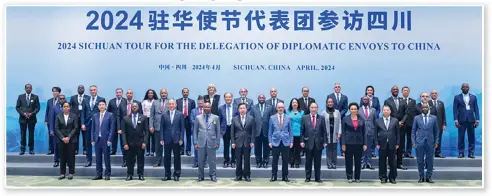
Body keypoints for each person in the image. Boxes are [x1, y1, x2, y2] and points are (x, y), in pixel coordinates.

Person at [193, 102, 221, 182]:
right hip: (201, 142)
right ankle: (200, 176)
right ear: (203, 108)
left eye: (208, 107)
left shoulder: (216, 118)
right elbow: (195, 131)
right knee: (200, 160)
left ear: (210, 108)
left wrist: (217, 142)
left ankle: (213, 175)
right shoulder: (198, 118)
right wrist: (195, 142)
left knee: (212, 161)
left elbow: (218, 131)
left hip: (212, 142)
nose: (206, 109)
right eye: (205, 107)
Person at [300, 102, 327, 183]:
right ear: (309, 108)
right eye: (312, 107)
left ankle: (317, 178)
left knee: (317, 162)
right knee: (308, 162)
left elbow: (324, 131)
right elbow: (302, 130)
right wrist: (301, 141)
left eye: (315, 107)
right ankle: (307, 177)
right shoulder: (304, 118)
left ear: (317, 108)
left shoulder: (321, 118)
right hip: (308, 143)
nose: (313, 109)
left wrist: (325, 141)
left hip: (319, 143)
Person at [412, 104, 439, 183]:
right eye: (423, 107)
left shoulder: (434, 118)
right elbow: (413, 131)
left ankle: (428, 177)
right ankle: (421, 177)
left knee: (430, 161)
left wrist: (436, 142)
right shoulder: (416, 118)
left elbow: (436, 131)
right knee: (420, 160)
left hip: (430, 142)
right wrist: (413, 141)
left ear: (429, 108)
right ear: (421, 109)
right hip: (419, 142)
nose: (425, 108)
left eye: (426, 107)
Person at [121, 103, 148, 181]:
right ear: (131, 108)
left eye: (136, 106)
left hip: (140, 143)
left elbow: (146, 131)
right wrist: (125, 143)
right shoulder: (125, 118)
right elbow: (123, 132)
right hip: (129, 144)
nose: (134, 107)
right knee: (130, 160)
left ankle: (140, 174)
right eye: (133, 106)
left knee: (141, 160)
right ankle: (129, 174)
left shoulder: (143, 118)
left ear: (138, 107)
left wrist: (145, 142)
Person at [341, 103, 367, 183]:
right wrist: (343, 144)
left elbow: (364, 132)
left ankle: (357, 177)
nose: (353, 110)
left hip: (359, 143)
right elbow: (343, 132)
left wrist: (365, 143)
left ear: (357, 110)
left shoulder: (361, 119)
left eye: (355, 109)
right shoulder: (345, 119)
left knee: (358, 161)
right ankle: (349, 177)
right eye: (352, 109)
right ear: (349, 110)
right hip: (348, 143)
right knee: (348, 161)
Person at [160, 99, 185, 181]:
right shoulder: (164, 115)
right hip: (167, 139)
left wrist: (181, 138)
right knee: (167, 158)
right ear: (168, 105)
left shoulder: (180, 114)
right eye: (170, 104)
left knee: (177, 158)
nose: (171, 105)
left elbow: (182, 128)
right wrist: (161, 138)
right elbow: (162, 128)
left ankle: (177, 174)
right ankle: (167, 175)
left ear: (175, 105)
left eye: (172, 104)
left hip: (177, 139)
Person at [116, 89, 142, 167]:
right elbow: (118, 117)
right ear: (126, 95)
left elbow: (141, 116)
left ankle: (133, 161)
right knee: (124, 145)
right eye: (128, 93)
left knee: (134, 146)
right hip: (124, 128)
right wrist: (119, 128)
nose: (129, 94)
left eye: (131, 93)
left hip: (135, 129)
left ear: (132, 94)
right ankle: (125, 161)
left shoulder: (138, 103)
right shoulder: (122, 104)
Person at [453, 83, 480, 159]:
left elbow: (476, 109)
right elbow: (455, 110)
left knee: (471, 137)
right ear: (461, 88)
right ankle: (461, 153)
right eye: (464, 87)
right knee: (461, 137)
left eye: (466, 87)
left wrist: (477, 120)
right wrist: (456, 120)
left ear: (469, 88)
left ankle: (471, 153)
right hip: (461, 120)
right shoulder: (457, 97)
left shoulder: (474, 97)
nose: (465, 88)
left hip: (471, 120)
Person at [383, 85, 407, 170]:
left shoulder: (403, 101)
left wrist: (402, 122)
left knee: (400, 146)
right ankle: (390, 163)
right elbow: (386, 113)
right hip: (391, 127)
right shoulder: (387, 101)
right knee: (391, 146)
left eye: (397, 89)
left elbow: (406, 113)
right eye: (394, 89)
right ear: (391, 91)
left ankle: (399, 163)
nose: (395, 90)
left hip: (401, 127)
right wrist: (395, 122)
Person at [81, 85, 105, 167]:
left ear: (97, 90)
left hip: (98, 124)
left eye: (94, 90)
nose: (92, 91)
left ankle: (100, 161)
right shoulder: (86, 99)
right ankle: (88, 160)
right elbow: (83, 113)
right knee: (88, 143)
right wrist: (82, 123)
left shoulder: (101, 99)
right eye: (91, 90)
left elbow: (103, 112)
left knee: (98, 142)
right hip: (87, 124)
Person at [268, 102, 293, 182]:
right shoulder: (272, 118)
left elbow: (290, 131)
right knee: (274, 160)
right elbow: (270, 131)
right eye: (279, 107)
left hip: (285, 142)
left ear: (284, 108)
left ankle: (285, 176)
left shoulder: (288, 118)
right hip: (275, 142)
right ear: (276, 108)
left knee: (285, 160)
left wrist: (291, 141)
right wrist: (270, 141)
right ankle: (274, 176)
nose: (280, 109)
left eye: (282, 107)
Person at [54, 102, 79, 180]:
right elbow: (56, 129)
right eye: (64, 106)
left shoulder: (74, 116)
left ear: (70, 107)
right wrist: (63, 138)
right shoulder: (58, 116)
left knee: (71, 157)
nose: (66, 108)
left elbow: (76, 128)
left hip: (71, 140)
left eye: (67, 106)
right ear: (62, 108)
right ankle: (62, 173)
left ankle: (71, 173)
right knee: (62, 157)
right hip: (61, 140)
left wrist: (68, 137)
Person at [91, 100, 115, 181]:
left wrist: (110, 139)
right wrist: (92, 139)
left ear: (105, 106)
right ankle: (99, 174)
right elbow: (93, 129)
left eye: (103, 105)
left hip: (106, 140)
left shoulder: (110, 115)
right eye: (100, 105)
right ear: (98, 106)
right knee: (98, 158)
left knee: (106, 158)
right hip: (97, 140)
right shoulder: (95, 115)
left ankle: (107, 174)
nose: (101, 106)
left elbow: (112, 129)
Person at [231, 103, 255, 182]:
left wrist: (252, 141)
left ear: (246, 109)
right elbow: (232, 132)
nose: (242, 110)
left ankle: (247, 175)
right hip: (237, 142)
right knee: (238, 160)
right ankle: (238, 175)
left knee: (247, 160)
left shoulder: (251, 118)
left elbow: (253, 131)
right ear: (238, 110)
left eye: (244, 108)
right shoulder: (234, 119)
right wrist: (233, 142)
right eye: (240, 108)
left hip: (247, 142)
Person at [375, 105, 400, 184]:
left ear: (390, 111)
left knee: (392, 162)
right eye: (384, 110)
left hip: (392, 144)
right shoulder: (377, 121)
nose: (386, 111)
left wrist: (397, 143)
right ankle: (383, 177)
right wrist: (376, 143)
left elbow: (398, 133)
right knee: (382, 162)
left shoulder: (395, 120)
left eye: (387, 110)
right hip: (382, 144)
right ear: (382, 111)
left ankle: (392, 177)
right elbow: (375, 133)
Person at [16, 84, 40, 155]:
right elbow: (17, 107)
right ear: (25, 89)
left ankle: (31, 149)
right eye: (27, 88)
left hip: (32, 119)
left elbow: (37, 107)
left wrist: (32, 113)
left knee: (31, 134)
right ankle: (22, 149)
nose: (28, 89)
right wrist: (23, 114)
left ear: (31, 89)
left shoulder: (35, 97)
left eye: (30, 88)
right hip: (23, 119)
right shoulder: (20, 97)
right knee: (23, 134)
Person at [252, 94, 274, 168]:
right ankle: (258, 162)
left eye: (262, 97)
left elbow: (272, 119)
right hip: (257, 131)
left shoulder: (270, 107)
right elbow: (251, 119)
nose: (261, 99)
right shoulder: (253, 107)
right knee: (257, 148)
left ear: (265, 99)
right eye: (260, 98)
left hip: (266, 131)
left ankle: (265, 162)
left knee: (266, 148)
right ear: (258, 99)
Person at [327, 83, 348, 156]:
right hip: (332, 118)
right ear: (334, 88)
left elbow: (346, 108)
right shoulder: (330, 96)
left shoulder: (344, 97)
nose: (337, 88)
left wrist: (339, 114)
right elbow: (328, 106)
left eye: (338, 87)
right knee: (332, 134)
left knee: (342, 134)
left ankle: (343, 151)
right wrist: (334, 114)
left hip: (342, 118)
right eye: (336, 87)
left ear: (340, 88)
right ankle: (332, 152)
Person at [69, 85, 90, 155]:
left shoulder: (88, 98)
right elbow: (70, 108)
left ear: (84, 89)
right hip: (75, 119)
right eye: (79, 88)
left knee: (85, 136)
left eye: (82, 88)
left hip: (85, 119)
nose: (80, 89)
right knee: (75, 135)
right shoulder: (73, 97)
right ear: (77, 89)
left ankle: (85, 149)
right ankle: (75, 150)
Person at [149, 88, 168, 166]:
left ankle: (167, 162)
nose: (163, 94)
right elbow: (151, 115)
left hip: (167, 128)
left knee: (167, 146)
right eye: (162, 93)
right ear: (160, 94)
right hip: (157, 127)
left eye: (165, 93)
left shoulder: (171, 102)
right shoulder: (155, 102)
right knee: (158, 146)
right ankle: (158, 161)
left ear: (167, 94)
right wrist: (151, 126)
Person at [322, 98, 341, 169]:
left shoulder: (337, 112)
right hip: (327, 134)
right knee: (328, 149)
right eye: (329, 102)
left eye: (331, 102)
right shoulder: (324, 113)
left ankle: (334, 163)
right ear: (327, 103)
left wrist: (339, 133)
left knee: (334, 149)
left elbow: (339, 123)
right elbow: (322, 124)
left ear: (333, 103)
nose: (330, 103)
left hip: (335, 133)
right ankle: (329, 164)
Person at [219, 92, 237, 168]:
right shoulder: (220, 108)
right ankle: (226, 161)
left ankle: (233, 161)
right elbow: (219, 120)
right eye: (226, 97)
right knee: (226, 146)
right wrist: (219, 132)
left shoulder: (236, 107)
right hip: (225, 129)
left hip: (234, 129)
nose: (228, 98)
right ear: (224, 98)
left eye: (229, 97)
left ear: (232, 98)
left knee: (234, 146)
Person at [359, 96, 377, 170]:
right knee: (362, 148)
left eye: (367, 99)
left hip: (371, 131)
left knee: (369, 148)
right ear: (362, 100)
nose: (365, 100)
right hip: (361, 131)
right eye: (364, 99)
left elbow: (375, 122)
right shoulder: (358, 110)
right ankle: (362, 163)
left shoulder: (373, 110)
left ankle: (369, 163)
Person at [177, 88, 196, 156]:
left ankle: (188, 150)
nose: (185, 93)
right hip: (180, 120)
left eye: (186, 92)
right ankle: (181, 150)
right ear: (182, 93)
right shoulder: (178, 101)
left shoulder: (192, 101)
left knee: (188, 136)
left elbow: (193, 111)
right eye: (184, 92)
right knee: (180, 135)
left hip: (188, 120)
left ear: (188, 93)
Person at [48, 94, 66, 167]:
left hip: (66, 131)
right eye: (60, 99)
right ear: (58, 100)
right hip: (57, 131)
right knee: (56, 147)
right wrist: (51, 130)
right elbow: (51, 120)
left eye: (63, 99)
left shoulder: (67, 107)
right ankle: (56, 161)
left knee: (66, 147)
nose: (62, 100)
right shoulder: (54, 108)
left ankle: (66, 161)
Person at [286, 98, 304, 168]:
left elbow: (303, 122)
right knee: (291, 149)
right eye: (293, 102)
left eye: (296, 102)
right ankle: (291, 162)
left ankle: (297, 162)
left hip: (299, 132)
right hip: (290, 133)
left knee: (298, 149)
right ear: (291, 104)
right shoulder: (288, 112)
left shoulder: (302, 112)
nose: (294, 104)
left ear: (298, 104)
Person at [108, 88, 126, 155]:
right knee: (113, 137)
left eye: (120, 92)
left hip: (122, 122)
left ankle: (123, 151)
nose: (118, 94)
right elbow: (108, 112)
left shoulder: (125, 101)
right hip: (113, 122)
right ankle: (113, 150)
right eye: (117, 92)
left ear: (122, 93)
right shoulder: (111, 101)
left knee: (122, 138)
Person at [401, 86, 418, 159]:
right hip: (402, 123)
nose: (406, 92)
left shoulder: (413, 101)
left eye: (407, 90)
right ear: (402, 92)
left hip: (411, 122)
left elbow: (414, 111)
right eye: (404, 90)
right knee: (401, 139)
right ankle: (402, 152)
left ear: (409, 92)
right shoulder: (399, 100)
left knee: (410, 138)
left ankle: (408, 152)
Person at [298, 87, 315, 157]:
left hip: (310, 120)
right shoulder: (299, 100)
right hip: (302, 120)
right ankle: (302, 150)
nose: (305, 92)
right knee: (302, 135)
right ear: (302, 92)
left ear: (308, 92)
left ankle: (310, 150)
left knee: (309, 135)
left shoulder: (312, 100)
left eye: (307, 91)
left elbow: (314, 109)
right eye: (304, 91)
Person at [429, 90, 447, 158]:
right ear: (430, 95)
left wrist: (444, 124)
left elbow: (443, 114)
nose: (434, 94)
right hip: (430, 124)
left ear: (437, 95)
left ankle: (437, 153)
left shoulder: (441, 103)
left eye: (435, 93)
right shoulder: (427, 102)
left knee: (438, 138)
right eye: (432, 93)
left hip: (439, 124)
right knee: (430, 139)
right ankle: (430, 153)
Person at [190, 96, 207, 168]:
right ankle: (196, 162)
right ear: (197, 102)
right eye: (199, 101)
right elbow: (191, 120)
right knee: (196, 147)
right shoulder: (193, 111)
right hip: (195, 131)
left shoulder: (207, 110)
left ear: (204, 102)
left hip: (205, 132)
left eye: (202, 101)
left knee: (205, 147)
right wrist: (199, 123)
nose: (200, 103)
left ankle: (204, 162)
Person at [142, 89, 158, 157]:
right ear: (147, 94)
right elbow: (142, 111)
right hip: (146, 119)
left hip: (154, 120)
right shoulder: (144, 102)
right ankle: (147, 151)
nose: (150, 94)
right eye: (149, 93)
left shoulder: (156, 101)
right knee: (147, 136)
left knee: (154, 136)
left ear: (153, 94)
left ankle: (153, 151)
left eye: (151, 93)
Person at [45, 87, 61, 155]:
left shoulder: (61, 100)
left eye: (56, 91)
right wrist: (46, 120)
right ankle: (50, 149)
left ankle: (58, 150)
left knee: (58, 136)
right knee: (51, 135)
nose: (54, 93)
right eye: (53, 91)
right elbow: (47, 111)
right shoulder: (49, 101)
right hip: (50, 121)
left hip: (59, 121)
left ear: (59, 92)